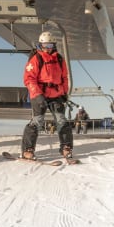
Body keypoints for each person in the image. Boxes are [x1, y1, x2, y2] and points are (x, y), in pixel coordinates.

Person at [20, 31, 73, 161]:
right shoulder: (36, 58)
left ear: (54, 45)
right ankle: (28, 150)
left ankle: (66, 147)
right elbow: (29, 79)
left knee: (61, 120)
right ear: (40, 45)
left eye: (50, 45)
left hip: (56, 95)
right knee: (37, 121)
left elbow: (64, 77)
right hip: (40, 94)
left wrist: (64, 93)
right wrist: (38, 95)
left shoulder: (59, 59)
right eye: (45, 46)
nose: (48, 49)